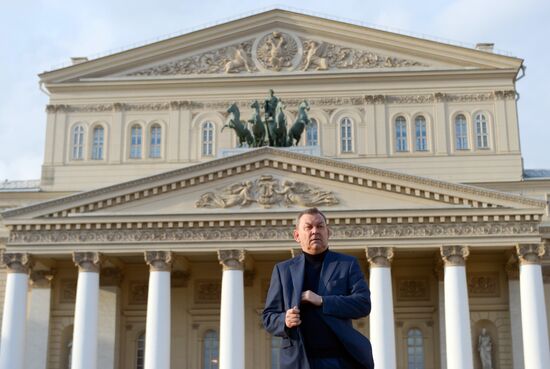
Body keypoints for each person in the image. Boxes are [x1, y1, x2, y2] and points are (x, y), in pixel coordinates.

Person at [263, 208, 374, 369]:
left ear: (328, 232)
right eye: (308, 227)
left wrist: (322, 300)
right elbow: (268, 317)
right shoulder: (283, 271)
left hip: (338, 360)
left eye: (320, 226)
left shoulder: (347, 264)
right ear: (297, 236)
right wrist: (285, 320)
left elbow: (363, 303)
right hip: (298, 360)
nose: (315, 231)